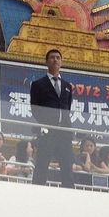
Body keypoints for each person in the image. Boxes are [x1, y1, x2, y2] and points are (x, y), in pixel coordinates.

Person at [29, 49, 74, 188]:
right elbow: (35, 108)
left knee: (67, 164)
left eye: (58, 58)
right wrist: (46, 124)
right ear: (47, 61)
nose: (55, 60)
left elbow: (68, 107)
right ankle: (37, 190)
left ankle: (69, 192)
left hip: (64, 132)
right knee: (43, 162)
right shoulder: (38, 84)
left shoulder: (67, 86)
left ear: (61, 62)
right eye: (52, 57)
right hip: (48, 131)